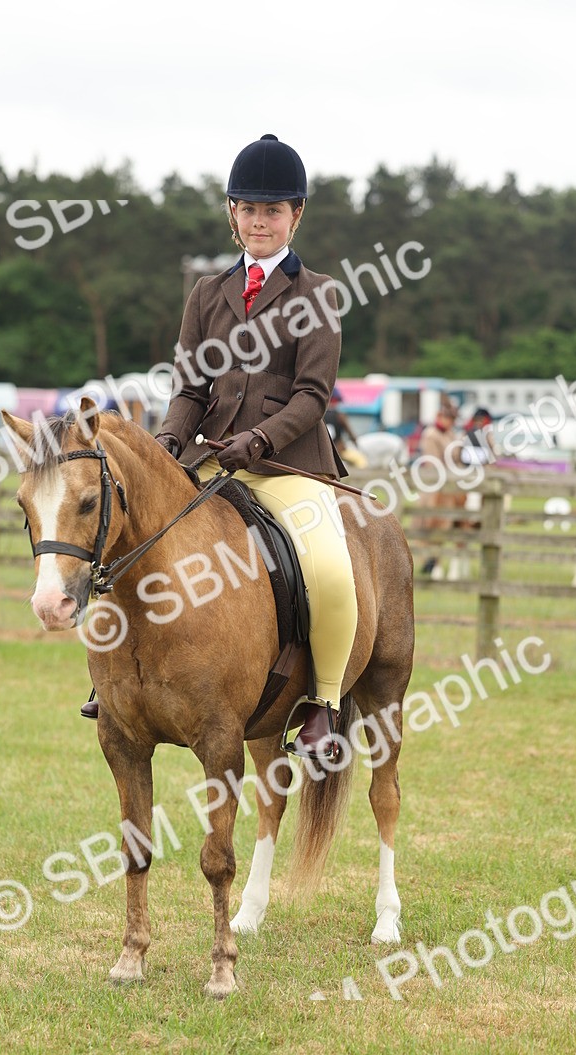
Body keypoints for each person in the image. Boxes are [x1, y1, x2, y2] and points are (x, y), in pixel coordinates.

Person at [153, 133, 358, 761]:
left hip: (286, 463)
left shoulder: (316, 294)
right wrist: (165, 445)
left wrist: (260, 438)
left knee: (327, 563)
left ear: (296, 216)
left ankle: (322, 705)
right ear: (231, 212)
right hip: (212, 459)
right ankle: (124, 685)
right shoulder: (207, 294)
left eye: (272, 211)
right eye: (248, 209)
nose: (259, 221)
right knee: (137, 538)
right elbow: (190, 387)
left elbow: (313, 395)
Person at [416, 395, 461, 576]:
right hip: (433, 485)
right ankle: (429, 561)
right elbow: (433, 463)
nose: (450, 422)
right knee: (429, 525)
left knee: (446, 525)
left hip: (449, 485)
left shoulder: (450, 434)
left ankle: (436, 561)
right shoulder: (431, 435)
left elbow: (456, 457)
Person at [326, 387, 368, 470]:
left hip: (322, 452)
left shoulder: (318, 415)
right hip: (338, 451)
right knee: (362, 462)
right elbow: (351, 434)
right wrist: (357, 444)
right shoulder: (340, 416)